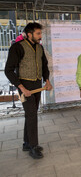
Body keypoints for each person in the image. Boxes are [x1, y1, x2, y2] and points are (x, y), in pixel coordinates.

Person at [5, 22, 53, 159]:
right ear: (29, 34)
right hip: (24, 86)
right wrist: (21, 88)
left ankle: (27, 143)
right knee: (32, 115)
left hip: (37, 85)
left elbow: (44, 66)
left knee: (30, 114)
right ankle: (34, 146)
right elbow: (8, 71)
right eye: (38, 33)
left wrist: (47, 81)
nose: (40, 36)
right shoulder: (17, 47)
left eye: (40, 33)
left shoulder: (39, 48)